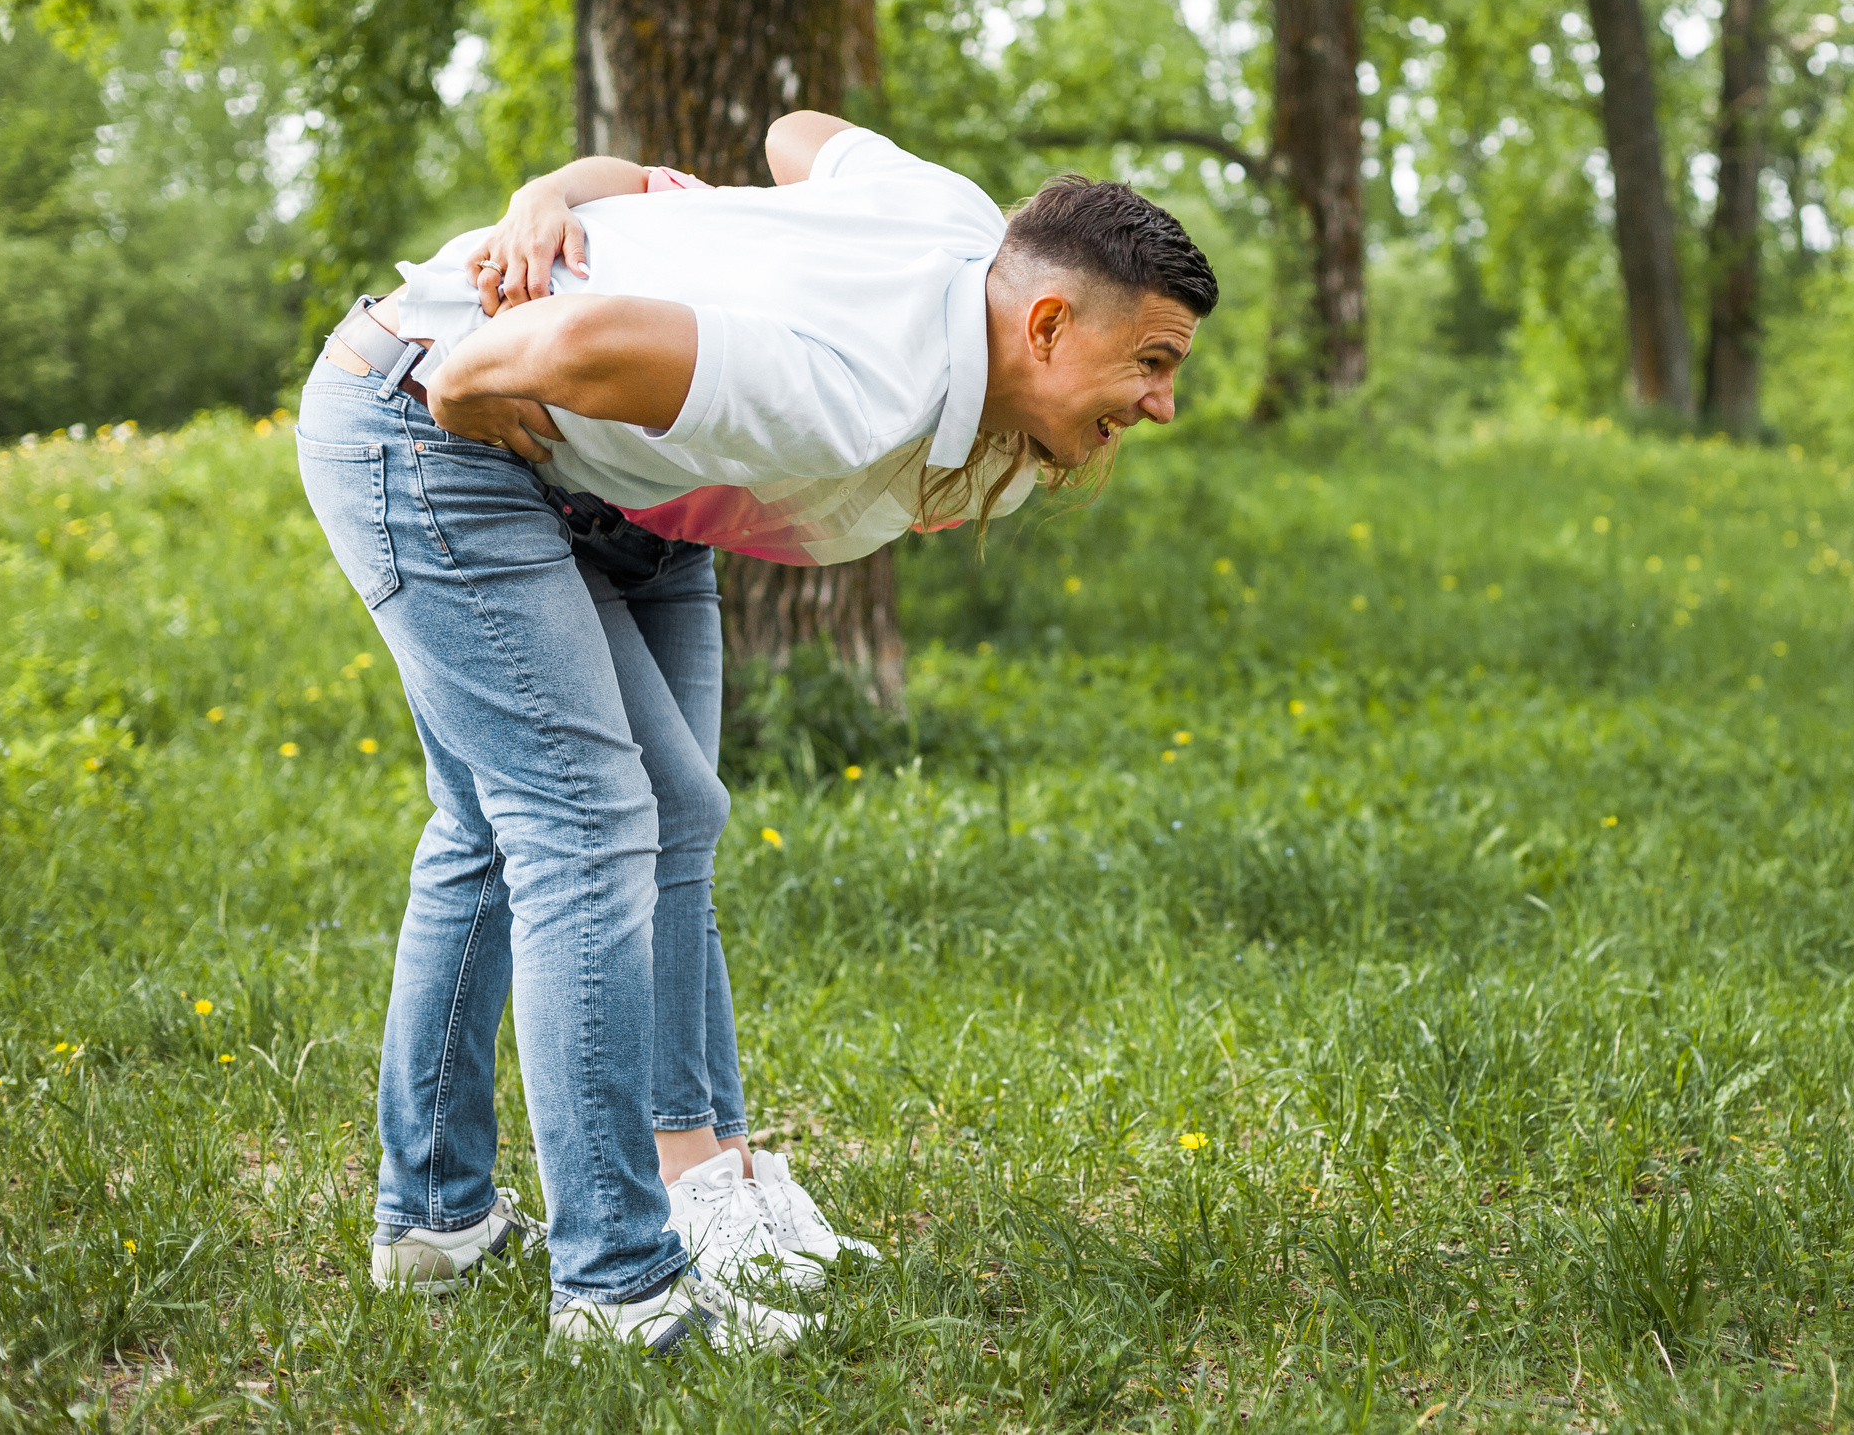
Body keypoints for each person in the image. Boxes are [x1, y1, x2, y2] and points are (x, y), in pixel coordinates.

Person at [294, 110, 1218, 1355]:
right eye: (1151, 362)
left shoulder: (960, 228)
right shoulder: (849, 392)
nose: (1163, 405)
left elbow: (799, 138)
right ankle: (618, 1289)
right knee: (584, 823)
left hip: (618, 492)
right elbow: (567, 336)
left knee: (547, 820)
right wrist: (462, 380)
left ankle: (445, 1220)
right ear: (1046, 324)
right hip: (432, 427)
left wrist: (726, 239)